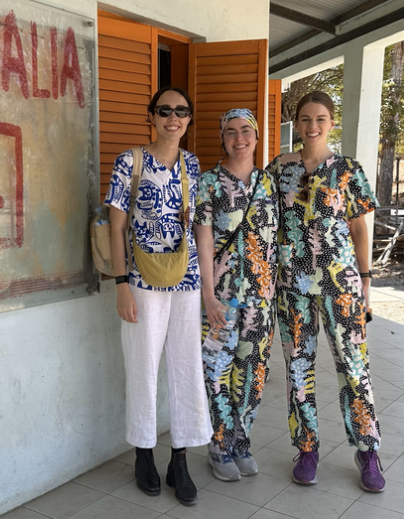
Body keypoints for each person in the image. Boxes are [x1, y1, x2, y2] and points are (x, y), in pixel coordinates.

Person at [267, 91, 386, 492]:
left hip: (341, 284)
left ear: (331, 123)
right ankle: (307, 448)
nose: (312, 126)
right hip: (292, 286)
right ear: (296, 124)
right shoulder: (279, 170)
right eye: (305, 119)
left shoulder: (348, 169)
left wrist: (365, 282)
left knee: (354, 367)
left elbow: (357, 228)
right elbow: (266, 224)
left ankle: (368, 450)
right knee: (298, 367)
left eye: (320, 118)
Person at [104, 86, 211, 506]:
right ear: (151, 115)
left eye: (181, 111)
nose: (173, 117)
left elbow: (200, 226)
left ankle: (179, 459)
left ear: (188, 119)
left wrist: (207, 284)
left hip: (185, 280)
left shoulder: (192, 164)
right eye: (164, 110)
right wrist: (120, 284)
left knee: (186, 368)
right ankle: (143, 454)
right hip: (141, 282)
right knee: (143, 366)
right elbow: (115, 228)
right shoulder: (129, 161)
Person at [193, 109, 278, 481]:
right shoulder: (208, 182)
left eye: (246, 131)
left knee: (252, 374)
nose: (239, 138)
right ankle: (218, 445)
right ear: (222, 138)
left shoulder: (271, 183)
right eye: (230, 132)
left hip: (261, 299)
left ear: (257, 137)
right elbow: (204, 240)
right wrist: (208, 296)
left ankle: (239, 443)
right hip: (221, 299)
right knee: (215, 372)